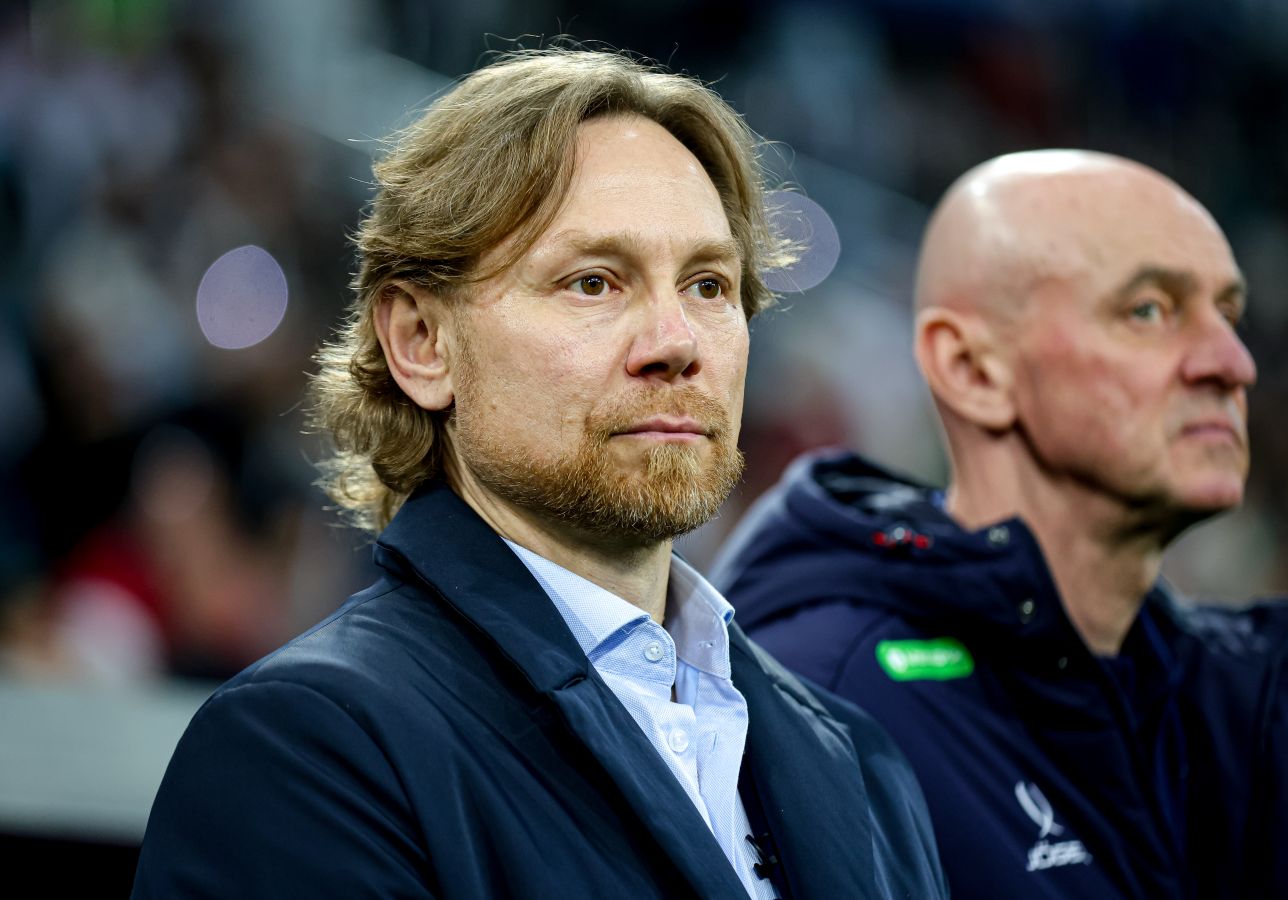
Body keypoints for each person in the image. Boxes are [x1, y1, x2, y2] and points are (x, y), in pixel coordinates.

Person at [130, 49, 947, 900]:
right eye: (594, 282)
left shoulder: (863, 767)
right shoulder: (307, 751)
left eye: (709, 285)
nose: (676, 341)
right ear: (421, 342)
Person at [713, 150, 1288, 900]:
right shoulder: (811, 704)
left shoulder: (1239, 700)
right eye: (1149, 310)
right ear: (972, 368)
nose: (1232, 363)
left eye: (1229, 316)